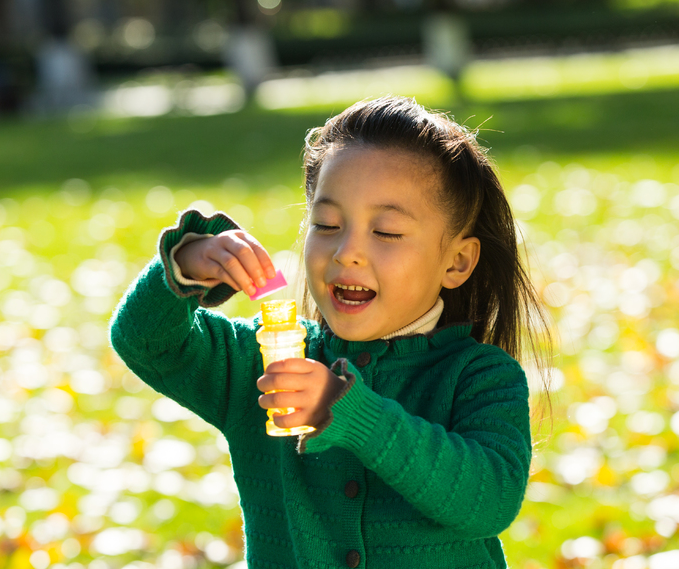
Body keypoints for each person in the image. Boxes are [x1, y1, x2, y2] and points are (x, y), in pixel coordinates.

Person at [110, 96, 552, 569]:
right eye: (327, 224)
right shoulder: (264, 365)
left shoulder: (480, 376)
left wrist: (353, 413)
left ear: (457, 261)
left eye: (386, 232)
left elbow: (488, 504)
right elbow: (143, 340)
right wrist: (183, 267)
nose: (347, 252)